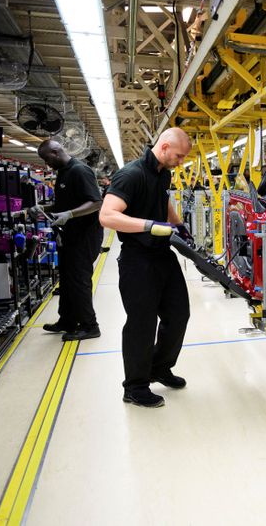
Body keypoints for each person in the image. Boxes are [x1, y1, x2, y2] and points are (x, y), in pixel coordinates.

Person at [99, 128, 194, 408]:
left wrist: (177, 225)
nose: (181, 162)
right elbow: (107, 215)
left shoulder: (163, 172)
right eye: (178, 156)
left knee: (178, 315)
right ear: (164, 147)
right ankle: (136, 386)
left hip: (163, 255)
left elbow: (162, 201)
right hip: (137, 259)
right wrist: (149, 225)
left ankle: (159, 368)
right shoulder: (131, 175)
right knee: (141, 324)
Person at [36, 139, 103, 341]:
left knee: (79, 281)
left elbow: (96, 202)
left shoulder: (80, 171)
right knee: (66, 280)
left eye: (47, 159)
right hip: (69, 236)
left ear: (56, 152)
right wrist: (42, 209)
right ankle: (67, 321)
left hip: (84, 236)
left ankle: (90, 326)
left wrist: (71, 214)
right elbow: (63, 204)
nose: (47, 165)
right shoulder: (63, 172)